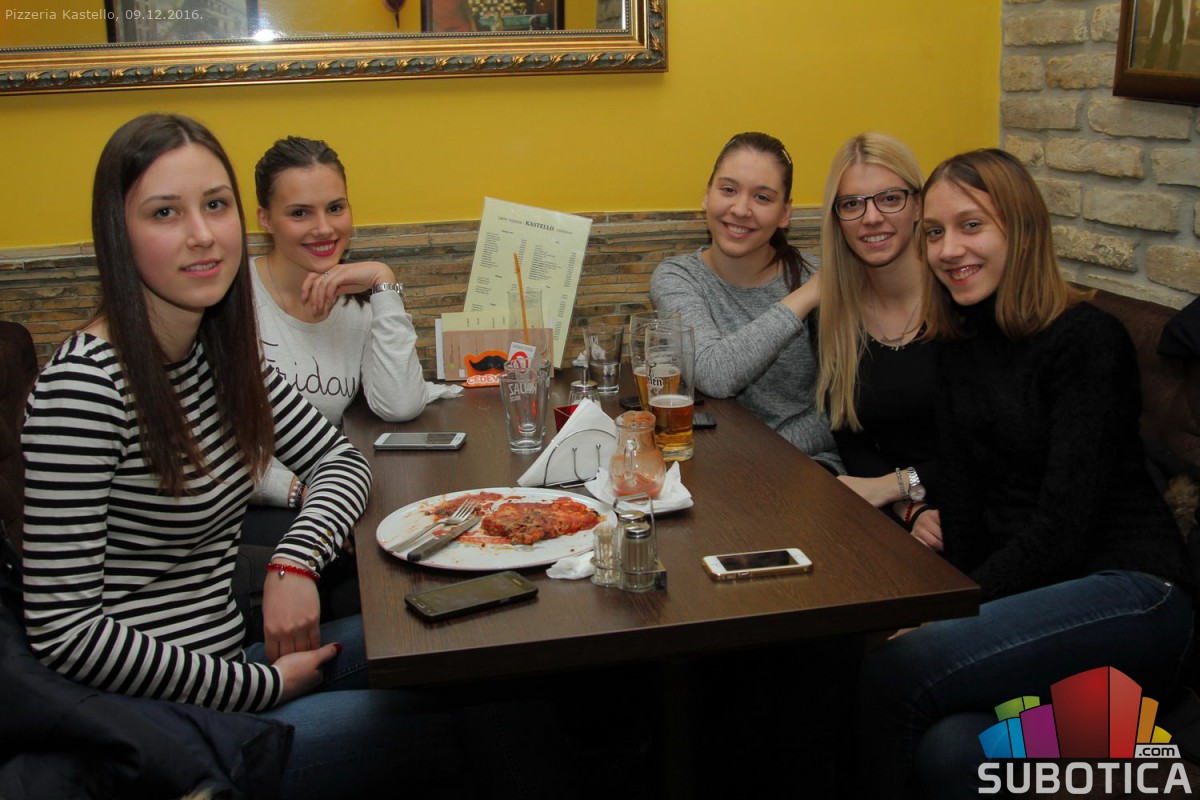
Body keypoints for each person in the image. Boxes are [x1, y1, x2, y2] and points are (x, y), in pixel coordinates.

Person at [19, 114, 470, 799]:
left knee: (469, 651)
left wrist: (295, 560)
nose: (202, 234)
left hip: (227, 671)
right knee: (478, 714)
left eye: (214, 205)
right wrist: (255, 685)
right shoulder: (85, 386)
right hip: (163, 731)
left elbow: (342, 462)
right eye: (165, 212)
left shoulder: (212, 353)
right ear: (117, 231)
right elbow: (65, 634)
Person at [856, 148, 1194, 799]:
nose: (949, 249)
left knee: (898, 667)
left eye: (971, 225)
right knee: (954, 751)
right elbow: (964, 501)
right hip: (1036, 607)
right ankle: (1125, 744)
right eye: (934, 232)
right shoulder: (957, 346)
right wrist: (945, 601)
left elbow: (1063, 527)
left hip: (1133, 595)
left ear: (1022, 230)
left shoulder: (1087, 338)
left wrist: (950, 620)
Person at [252, 135, 431, 510]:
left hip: (332, 495)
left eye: (335, 208)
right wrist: (297, 491)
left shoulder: (357, 301)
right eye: (300, 213)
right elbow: (202, 447)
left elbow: (399, 405)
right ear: (265, 219)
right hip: (249, 511)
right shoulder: (232, 299)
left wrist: (384, 282)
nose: (324, 228)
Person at [650, 132, 842, 472]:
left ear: (785, 213)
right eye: (728, 190)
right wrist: (806, 297)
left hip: (804, 466)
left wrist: (759, 457)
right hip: (708, 468)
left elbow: (842, 408)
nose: (740, 209)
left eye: (762, 197)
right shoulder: (678, 277)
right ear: (706, 195)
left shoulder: (816, 278)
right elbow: (714, 373)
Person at [816, 133, 941, 548]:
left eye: (890, 199)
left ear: (918, 205)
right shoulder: (834, 317)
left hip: (987, 505)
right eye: (853, 204)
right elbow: (851, 438)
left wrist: (897, 485)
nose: (871, 217)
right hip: (905, 517)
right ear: (837, 218)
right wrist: (910, 507)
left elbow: (990, 448)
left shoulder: (959, 301)